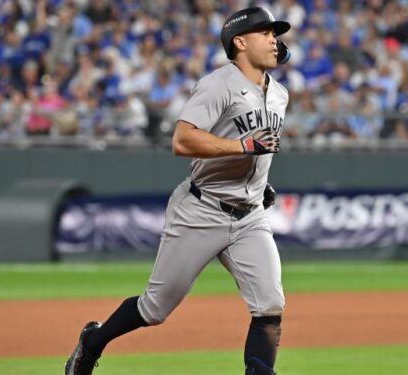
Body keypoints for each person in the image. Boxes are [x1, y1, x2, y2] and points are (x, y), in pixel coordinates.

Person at [65, 7, 291, 375]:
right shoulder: (219, 84)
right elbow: (183, 140)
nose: (274, 39)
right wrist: (243, 149)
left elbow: (257, 147)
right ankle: (92, 343)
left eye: (274, 34)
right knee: (155, 308)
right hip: (201, 211)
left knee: (270, 305)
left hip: (250, 216)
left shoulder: (279, 94)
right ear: (240, 42)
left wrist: (258, 183)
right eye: (265, 32)